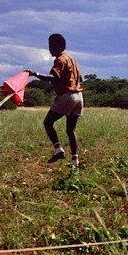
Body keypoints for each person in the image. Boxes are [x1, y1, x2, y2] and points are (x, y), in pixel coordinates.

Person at [27, 33, 83, 167]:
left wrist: (35, 74)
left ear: (59, 47)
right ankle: (75, 161)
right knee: (70, 130)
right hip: (79, 97)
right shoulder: (71, 59)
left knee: (48, 123)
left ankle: (59, 150)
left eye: (51, 46)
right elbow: (80, 78)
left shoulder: (60, 60)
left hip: (67, 96)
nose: (49, 49)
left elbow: (52, 77)